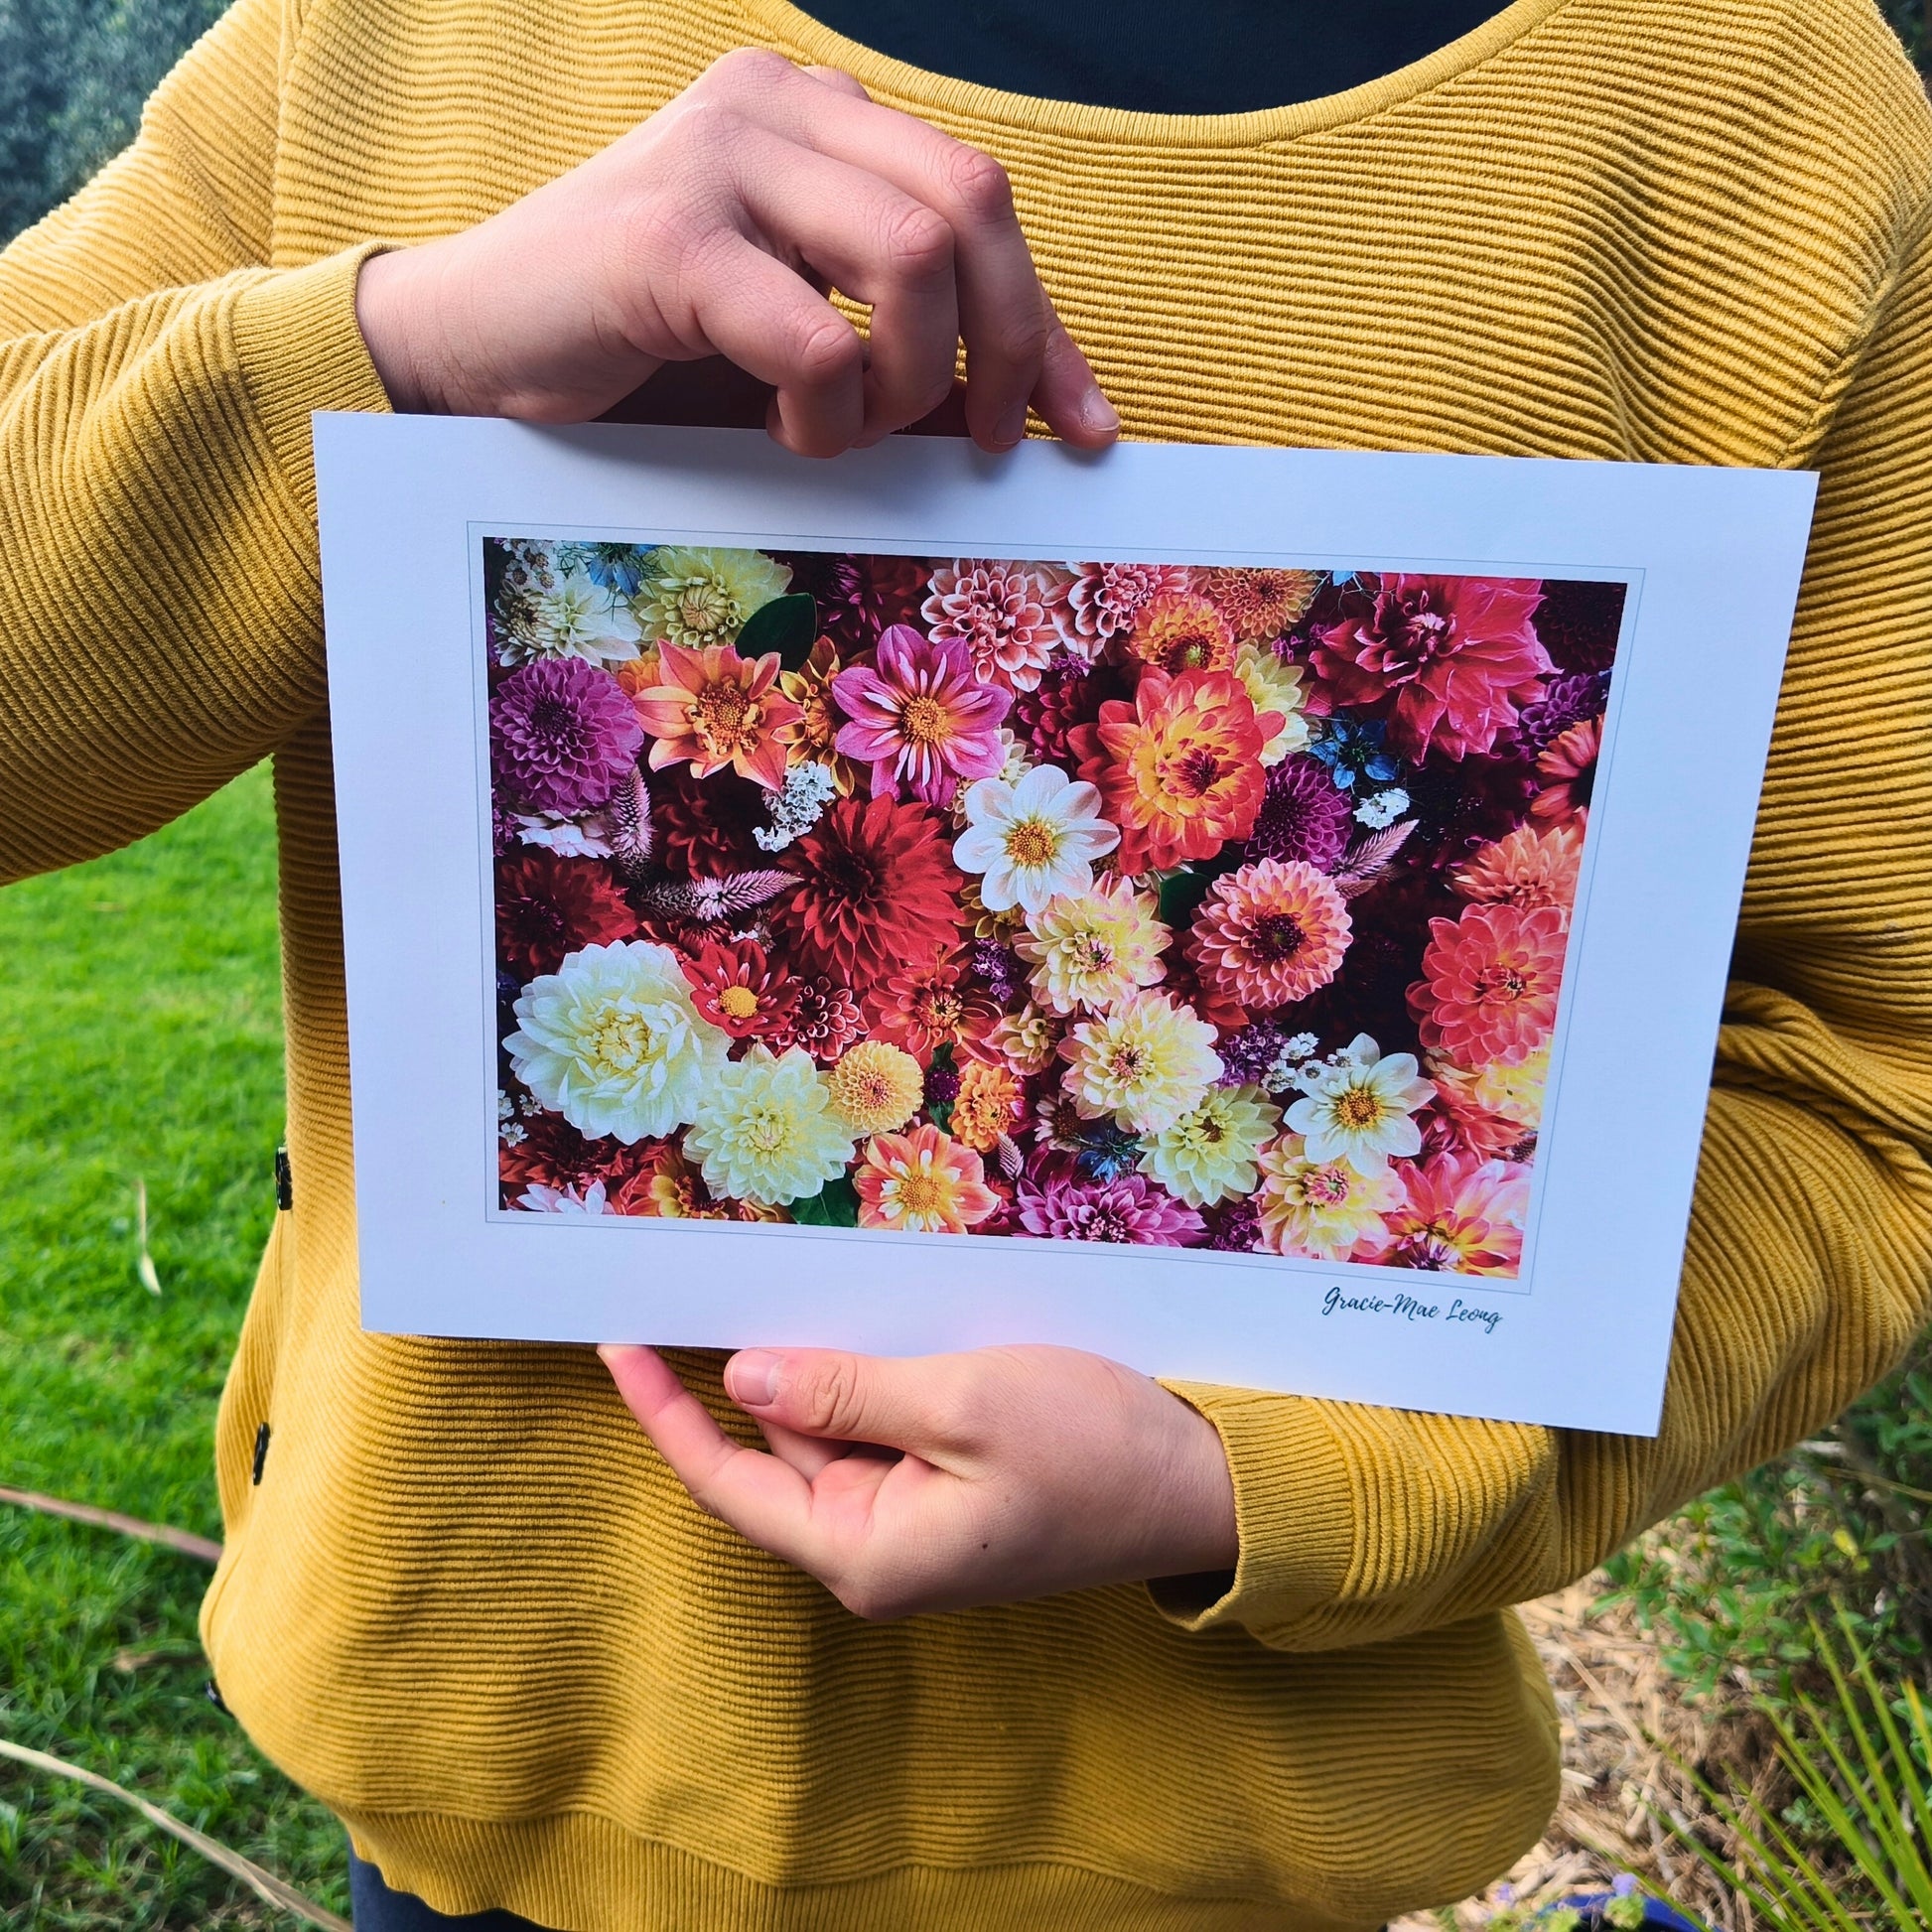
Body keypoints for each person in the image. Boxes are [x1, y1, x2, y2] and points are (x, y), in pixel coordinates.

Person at [2, 0, 1929, 1927]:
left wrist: (1266, 1468)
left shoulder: (1749, 106)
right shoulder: (390, 35)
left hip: (1202, 1851)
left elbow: (1868, 1083)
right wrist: (396, 351)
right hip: (484, 1768)